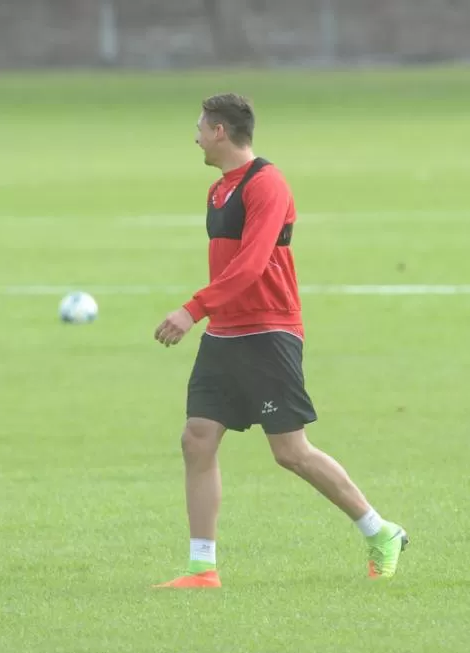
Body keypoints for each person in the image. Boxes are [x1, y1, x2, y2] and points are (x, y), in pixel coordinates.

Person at [152, 93, 407, 588]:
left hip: (268, 330)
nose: (196, 135)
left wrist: (191, 310)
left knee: (290, 452)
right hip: (226, 332)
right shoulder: (217, 189)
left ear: (221, 131)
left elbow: (250, 266)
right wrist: (209, 314)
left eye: (201, 127)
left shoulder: (266, 184)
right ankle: (203, 568)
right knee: (197, 439)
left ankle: (381, 531)